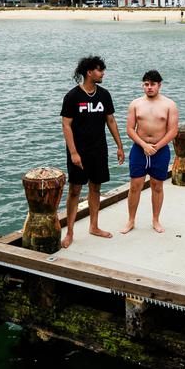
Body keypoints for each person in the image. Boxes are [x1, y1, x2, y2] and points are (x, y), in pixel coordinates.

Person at [60, 56, 124, 248]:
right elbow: (66, 125)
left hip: (99, 149)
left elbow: (110, 121)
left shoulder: (104, 95)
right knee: (75, 190)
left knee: (95, 187)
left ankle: (94, 226)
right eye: (99, 70)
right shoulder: (72, 97)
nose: (103, 73)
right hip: (79, 151)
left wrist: (119, 146)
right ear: (89, 72)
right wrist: (73, 153)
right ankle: (70, 232)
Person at [121, 70, 179, 234]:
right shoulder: (135, 104)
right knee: (135, 186)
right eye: (146, 84)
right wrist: (143, 145)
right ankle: (131, 220)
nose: (149, 87)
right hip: (139, 149)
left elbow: (172, 131)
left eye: (152, 84)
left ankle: (155, 220)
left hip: (160, 151)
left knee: (157, 186)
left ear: (159, 85)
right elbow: (130, 129)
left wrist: (156, 146)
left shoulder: (169, 105)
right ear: (143, 85)